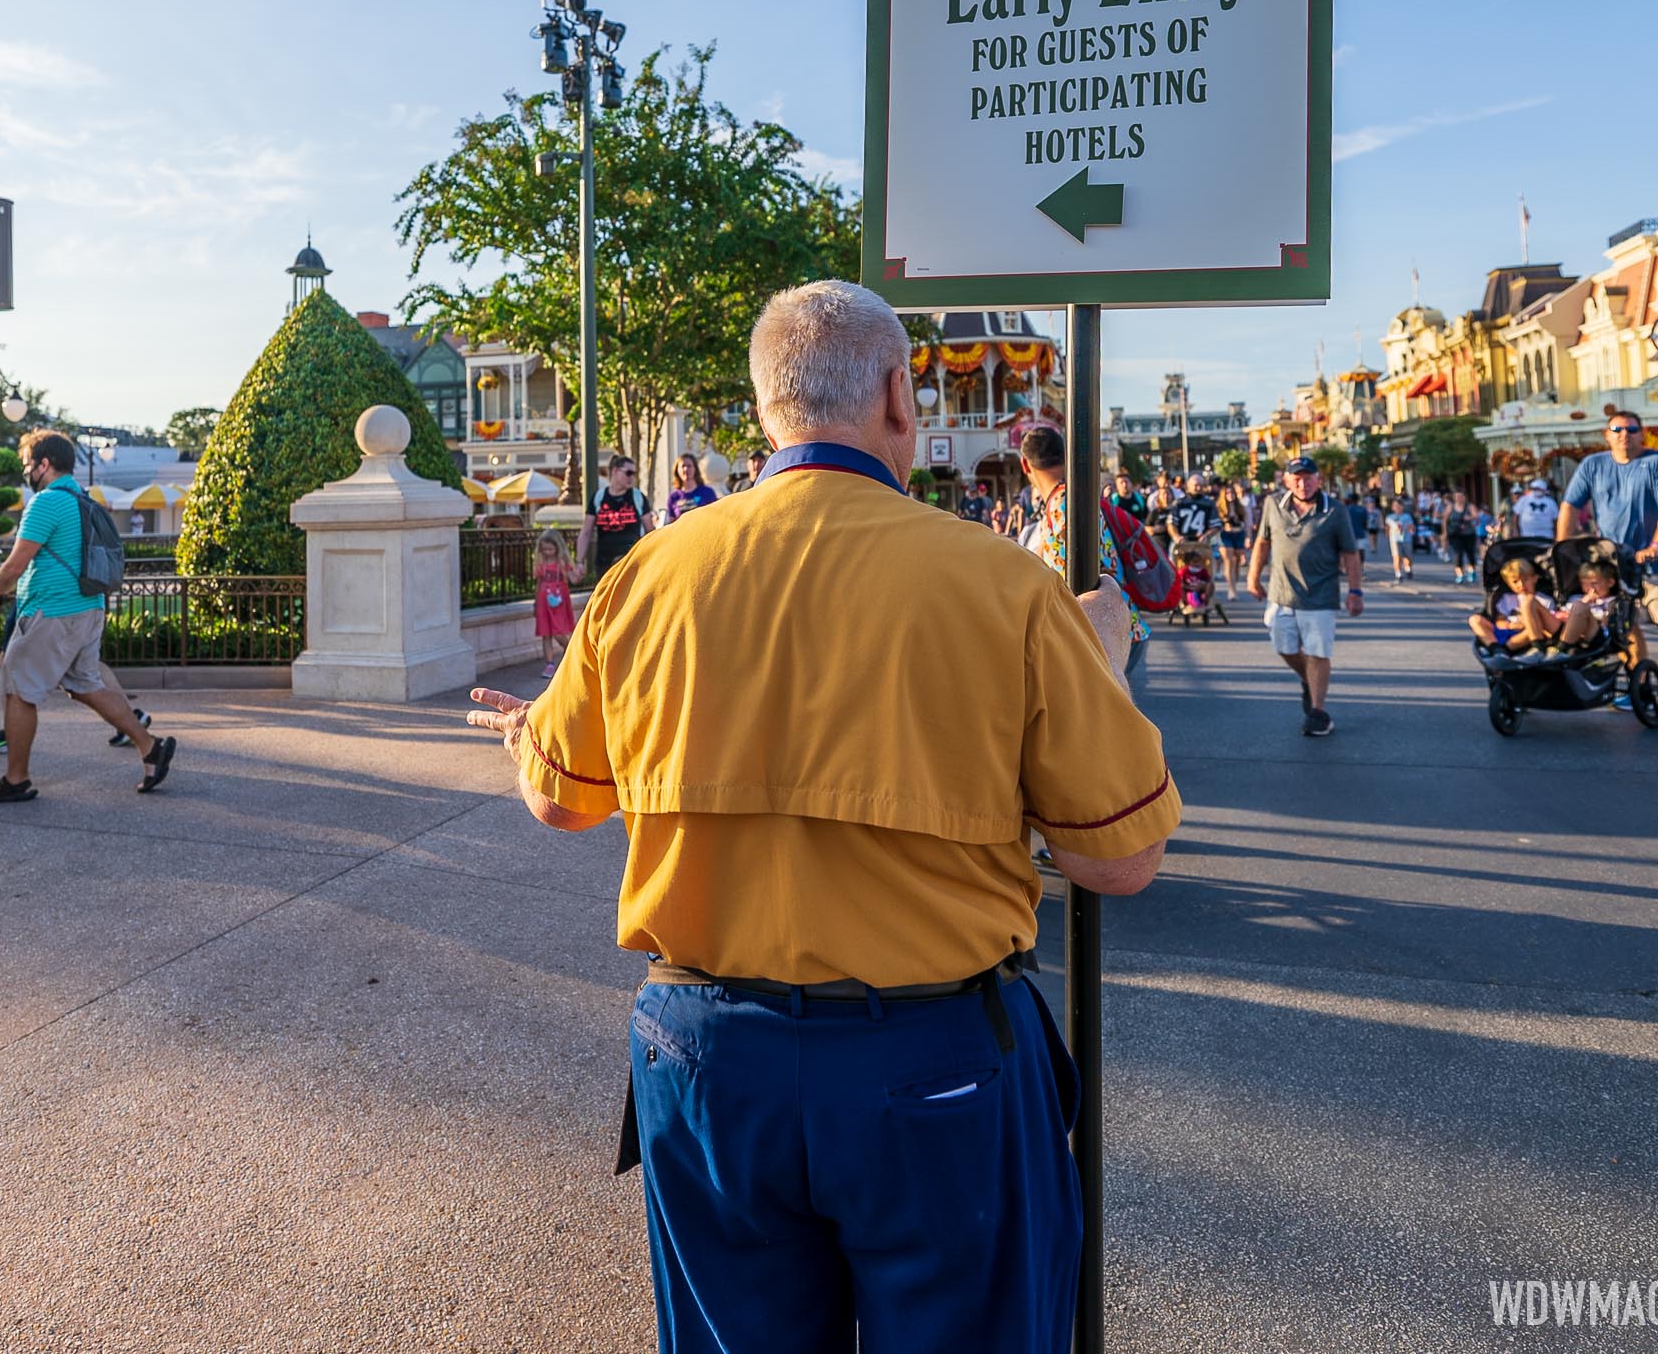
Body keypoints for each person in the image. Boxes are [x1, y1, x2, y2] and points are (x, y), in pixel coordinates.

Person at [464, 280, 1176, 1353]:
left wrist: (528, 740)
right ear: (900, 396)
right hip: (930, 1058)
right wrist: (1102, 662)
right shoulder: (1002, 586)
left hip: (706, 1059)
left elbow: (560, 800)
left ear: (764, 414)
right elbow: (1119, 860)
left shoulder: (644, 577)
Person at [0, 430, 174, 803]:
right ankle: (150, 747)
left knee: (18, 691)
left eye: (28, 464)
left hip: (53, 611)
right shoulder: (80, 498)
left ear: (44, 465)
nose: (27, 472)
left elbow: (15, 564)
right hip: (88, 606)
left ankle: (16, 779)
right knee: (85, 684)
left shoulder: (46, 503)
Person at [1557, 411, 1658, 705]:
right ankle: (1638, 686)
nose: (1624, 434)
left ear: (1642, 434)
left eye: (1631, 429)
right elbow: (1570, 506)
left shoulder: (1657, 463)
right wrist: (1562, 548)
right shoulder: (1593, 465)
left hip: (1656, 561)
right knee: (1623, 625)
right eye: (1617, 429)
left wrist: (1656, 544)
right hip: (1612, 560)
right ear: (1607, 434)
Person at [1018, 424, 1149, 692]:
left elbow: (1067, 581)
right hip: (1113, 627)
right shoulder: (1069, 498)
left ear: (1025, 465)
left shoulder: (1062, 504)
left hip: (1102, 633)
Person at [1247, 456, 1363, 738]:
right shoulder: (1274, 505)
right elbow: (1263, 543)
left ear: (1318, 479)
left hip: (1320, 595)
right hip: (1281, 592)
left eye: (1308, 477)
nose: (1303, 483)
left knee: (1318, 652)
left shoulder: (1334, 511)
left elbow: (1350, 553)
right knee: (1283, 646)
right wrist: (1253, 578)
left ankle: (1318, 712)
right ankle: (1309, 681)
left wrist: (1355, 591)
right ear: (1286, 481)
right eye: (1296, 478)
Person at [577, 456, 653, 583]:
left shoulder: (638, 497)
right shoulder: (599, 497)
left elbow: (650, 531)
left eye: (634, 474)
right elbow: (586, 531)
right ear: (615, 471)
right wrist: (579, 561)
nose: (631, 477)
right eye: (628, 473)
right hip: (604, 563)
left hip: (632, 562)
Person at [1467, 556, 1558, 653]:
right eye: (1515, 582)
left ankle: (1505, 649)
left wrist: (1525, 624)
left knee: (1538, 629)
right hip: (1506, 630)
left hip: (1527, 634)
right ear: (1509, 584)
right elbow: (1499, 622)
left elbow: (1547, 625)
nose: (1521, 585)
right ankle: (1493, 646)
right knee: (1474, 619)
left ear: (1535, 578)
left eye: (1525, 580)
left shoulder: (1544, 600)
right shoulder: (1507, 599)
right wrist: (1510, 625)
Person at [531, 532, 579, 677]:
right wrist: (535, 603)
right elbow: (539, 583)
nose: (547, 552)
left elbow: (574, 579)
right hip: (543, 602)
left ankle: (570, 650)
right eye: (544, 549)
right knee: (546, 634)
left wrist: (577, 572)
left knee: (559, 632)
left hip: (559, 602)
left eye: (550, 549)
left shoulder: (562, 564)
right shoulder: (541, 564)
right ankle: (550, 664)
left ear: (557, 548)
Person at [1215, 481, 1252, 595]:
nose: (1230, 495)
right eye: (1227, 493)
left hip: (1238, 534)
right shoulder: (1219, 508)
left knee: (1236, 563)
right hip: (1225, 535)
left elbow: (1247, 523)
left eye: (1232, 493)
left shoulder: (1240, 507)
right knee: (1228, 561)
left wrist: (1248, 537)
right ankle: (1231, 589)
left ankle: (1234, 584)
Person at [663, 452, 718, 523]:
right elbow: (671, 523)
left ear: (695, 469)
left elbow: (715, 516)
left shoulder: (707, 492)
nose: (686, 469)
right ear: (677, 470)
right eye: (683, 466)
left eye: (689, 466)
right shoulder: (673, 497)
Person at [1445, 494, 1481, 585]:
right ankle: (1459, 574)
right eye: (1457, 496)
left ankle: (1471, 571)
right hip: (1455, 534)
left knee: (1470, 554)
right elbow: (1445, 520)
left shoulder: (1470, 506)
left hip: (1468, 534)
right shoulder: (1450, 507)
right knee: (1458, 554)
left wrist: (1470, 518)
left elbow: (1477, 516)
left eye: (1461, 496)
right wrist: (1445, 533)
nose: (1459, 498)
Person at [1384, 497, 1417, 584]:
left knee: (1408, 557)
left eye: (1399, 506)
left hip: (1406, 539)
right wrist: (1388, 536)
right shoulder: (1390, 517)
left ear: (1402, 507)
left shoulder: (1407, 516)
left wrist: (1409, 529)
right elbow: (1387, 528)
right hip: (1394, 540)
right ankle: (1398, 575)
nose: (1397, 507)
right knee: (1397, 557)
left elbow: (1412, 527)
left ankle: (1408, 569)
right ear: (1392, 507)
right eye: (1395, 506)